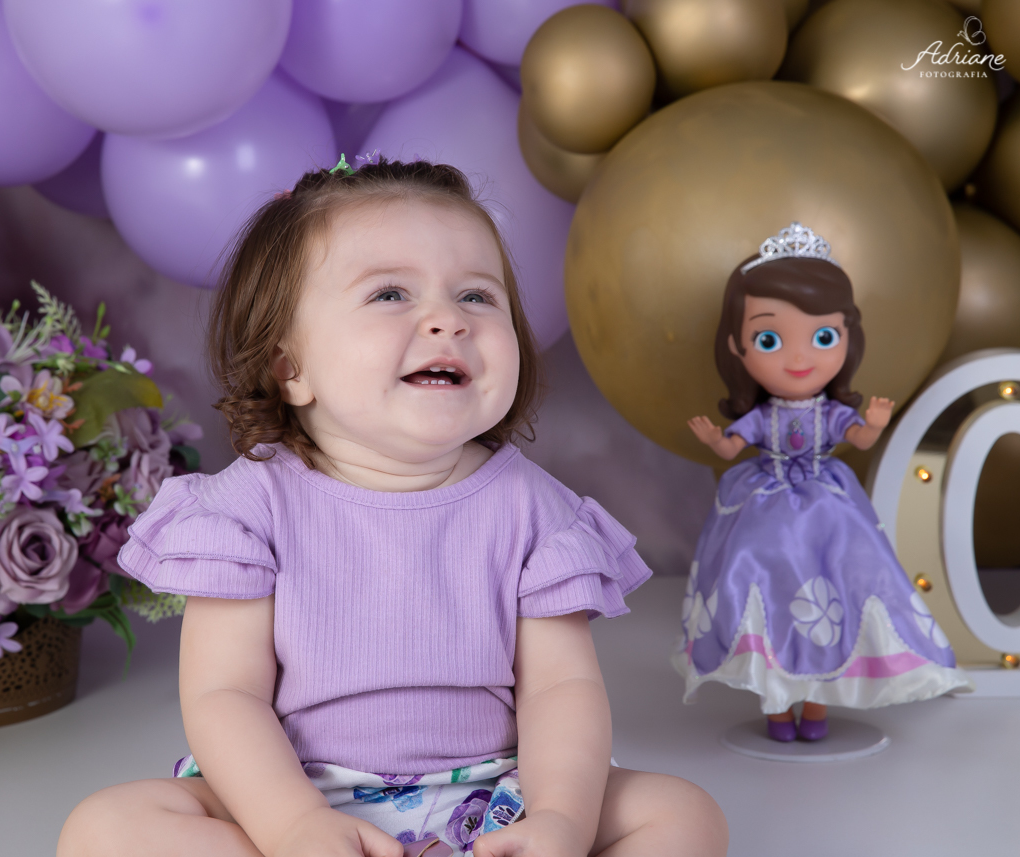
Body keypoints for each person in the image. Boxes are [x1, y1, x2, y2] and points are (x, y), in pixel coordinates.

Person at [58, 158, 728, 857]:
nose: (448, 321)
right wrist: (293, 826)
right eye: (390, 294)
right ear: (291, 367)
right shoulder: (249, 507)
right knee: (106, 829)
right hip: (294, 792)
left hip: (492, 793)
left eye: (477, 296)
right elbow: (226, 696)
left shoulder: (534, 510)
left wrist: (560, 819)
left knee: (683, 815)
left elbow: (561, 690)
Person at [677, 223, 971, 743]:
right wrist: (714, 440)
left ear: (847, 338)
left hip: (829, 507)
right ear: (738, 347)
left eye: (823, 337)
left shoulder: (830, 413)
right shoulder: (762, 417)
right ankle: (776, 703)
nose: (798, 359)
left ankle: (816, 706)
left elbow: (858, 437)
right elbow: (730, 448)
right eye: (769, 340)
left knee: (842, 589)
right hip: (765, 506)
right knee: (763, 586)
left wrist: (874, 425)